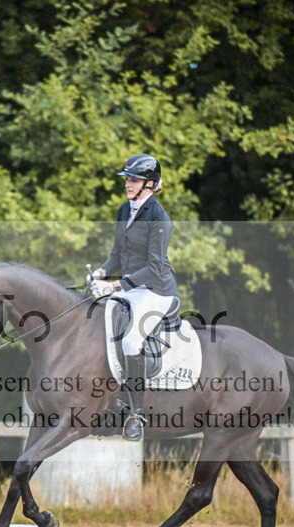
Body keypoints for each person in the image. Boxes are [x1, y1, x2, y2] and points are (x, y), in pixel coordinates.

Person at [88, 153, 178, 441]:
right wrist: (101, 273)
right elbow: (118, 255)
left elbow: (154, 267)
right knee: (96, 324)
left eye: (134, 180)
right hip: (130, 287)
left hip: (156, 290)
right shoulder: (124, 210)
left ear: (149, 184)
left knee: (130, 340)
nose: (128, 184)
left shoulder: (159, 217)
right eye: (127, 179)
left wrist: (115, 287)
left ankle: (136, 415)